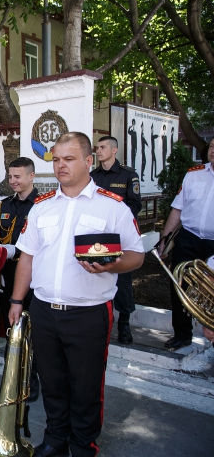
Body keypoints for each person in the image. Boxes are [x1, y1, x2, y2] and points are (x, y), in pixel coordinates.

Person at [9, 132, 144, 457]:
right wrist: (16, 300)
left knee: (85, 387)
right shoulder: (41, 208)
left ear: (88, 161)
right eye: (56, 159)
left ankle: (84, 444)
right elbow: (26, 256)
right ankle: (56, 438)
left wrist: (112, 264)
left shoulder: (113, 206)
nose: (60, 165)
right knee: (52, 382)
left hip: (88, 313)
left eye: (68, 159)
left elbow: (136, 254)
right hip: (43, 310)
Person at [0, 157, 40, 401]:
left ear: (31, 176)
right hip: (7, 274)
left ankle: (32, 377)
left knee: (32, 329)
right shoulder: (4, 206)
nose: (13, 181)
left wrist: (16, 251)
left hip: (33, 275)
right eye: (10, 177)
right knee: (12, 328)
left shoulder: (42, 205)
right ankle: (14, 374)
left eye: (18, 177)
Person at [159, 139, 214, 350]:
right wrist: (165, 240)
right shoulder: (194, 174)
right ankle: (182, 335)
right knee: (179, 286)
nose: (213, 151)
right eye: (211, 147)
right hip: (188, 238)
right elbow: (177, 209)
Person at [90, 136, 142, 345]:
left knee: (123, 278)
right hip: (95, 236)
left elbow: (135, 205)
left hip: (118, 237)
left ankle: (124, 324)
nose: (99, 151)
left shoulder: (128, 175)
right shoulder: (92, 175)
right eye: (97, 148)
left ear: (114, 150)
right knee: (95, 273)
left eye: (103, 147)